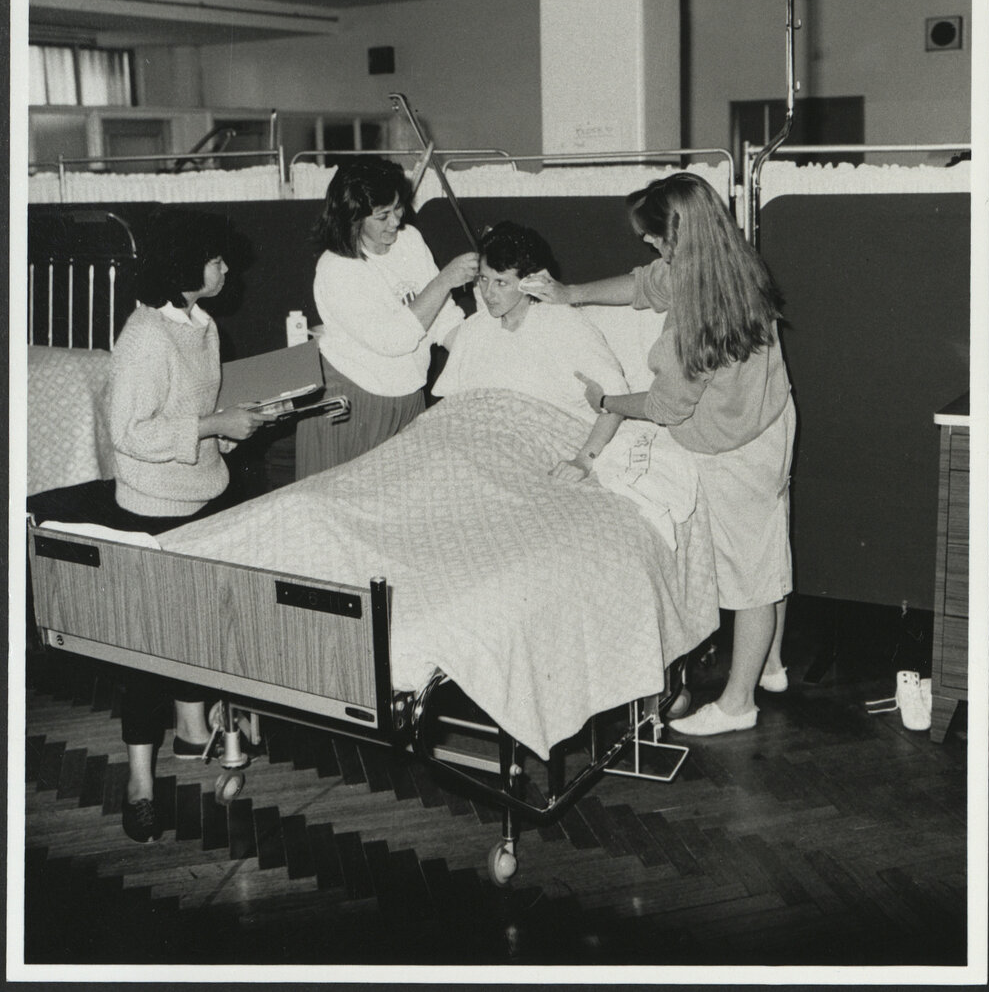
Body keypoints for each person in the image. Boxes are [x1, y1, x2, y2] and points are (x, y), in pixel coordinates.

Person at [521, 172, 795, 736]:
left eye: (651, 236)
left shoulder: (696, 320)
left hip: (736, 448)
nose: (646, 244)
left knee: (748, 578)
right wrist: (571, 294)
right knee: (769, 547)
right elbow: (645, 285)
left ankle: (738, 703)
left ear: (676, 238)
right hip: (773, 419)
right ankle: (767, 662)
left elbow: (667, 406)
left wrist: (606, 400)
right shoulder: (733, 261)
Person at [105, 208, 267, 841]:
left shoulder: (202, 325)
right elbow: (129, 434)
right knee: (146, 652)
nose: (225, 268)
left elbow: (201, 414)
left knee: (204, 626)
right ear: (184, 267)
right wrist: (211, 428)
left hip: (207, 494)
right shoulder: (144, 337)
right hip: (154, 509)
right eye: (217, 259)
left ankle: (191, 731)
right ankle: (139, 781)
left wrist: (238, 428)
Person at [295, 155, 478, 478]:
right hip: (354, 402)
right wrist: (444, 280)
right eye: (382, 216)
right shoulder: (337, 268)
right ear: (353, 218)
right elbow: (394, 339)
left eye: (398, 208)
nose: (395, 221)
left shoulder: (409, 240)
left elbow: (442, 318)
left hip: (407, 396)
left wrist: (480, 352)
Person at [432, 221, 629, 479]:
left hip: (544, 449)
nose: (488, 293)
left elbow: (616, 401)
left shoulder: (565, 324)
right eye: (483, 279)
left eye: (501, 283)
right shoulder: (475, 329)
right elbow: (452, 408)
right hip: (476, 448)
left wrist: (583, 460)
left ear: (530, 282)